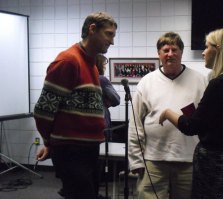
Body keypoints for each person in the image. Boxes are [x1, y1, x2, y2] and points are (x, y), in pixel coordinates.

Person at [159, 28, 223, 198]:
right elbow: (220, 123)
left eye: (207, 47)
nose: (203, 53)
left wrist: (167, 113)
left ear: (218, 50)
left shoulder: (219, 84)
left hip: (215, 162)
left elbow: (191, 127)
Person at [34, 12, 117, 199]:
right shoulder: (69, 61)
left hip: (88, 149)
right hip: (71, 151)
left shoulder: (92, 65)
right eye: (109, 34)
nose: (112, 42)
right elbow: (43, 111)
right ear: (92, 29)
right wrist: (50, 142)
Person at [128, 32, 207, 199]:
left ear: (181, 53)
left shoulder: (199, 81)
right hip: (153, 160)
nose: (170, 54)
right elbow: (135, 124)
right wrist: (136, 159)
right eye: (165, 50)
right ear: (159, 54)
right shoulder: (147, 82)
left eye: (174, 49)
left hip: (189, 159)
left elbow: (207, 122)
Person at [96, 54, 120, 138]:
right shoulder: (102, 79)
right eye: (104, 64)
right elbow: (116, 100)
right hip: (102, 120)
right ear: (99, 65)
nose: (105, 67)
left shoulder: (85, 77)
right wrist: (106, 102)